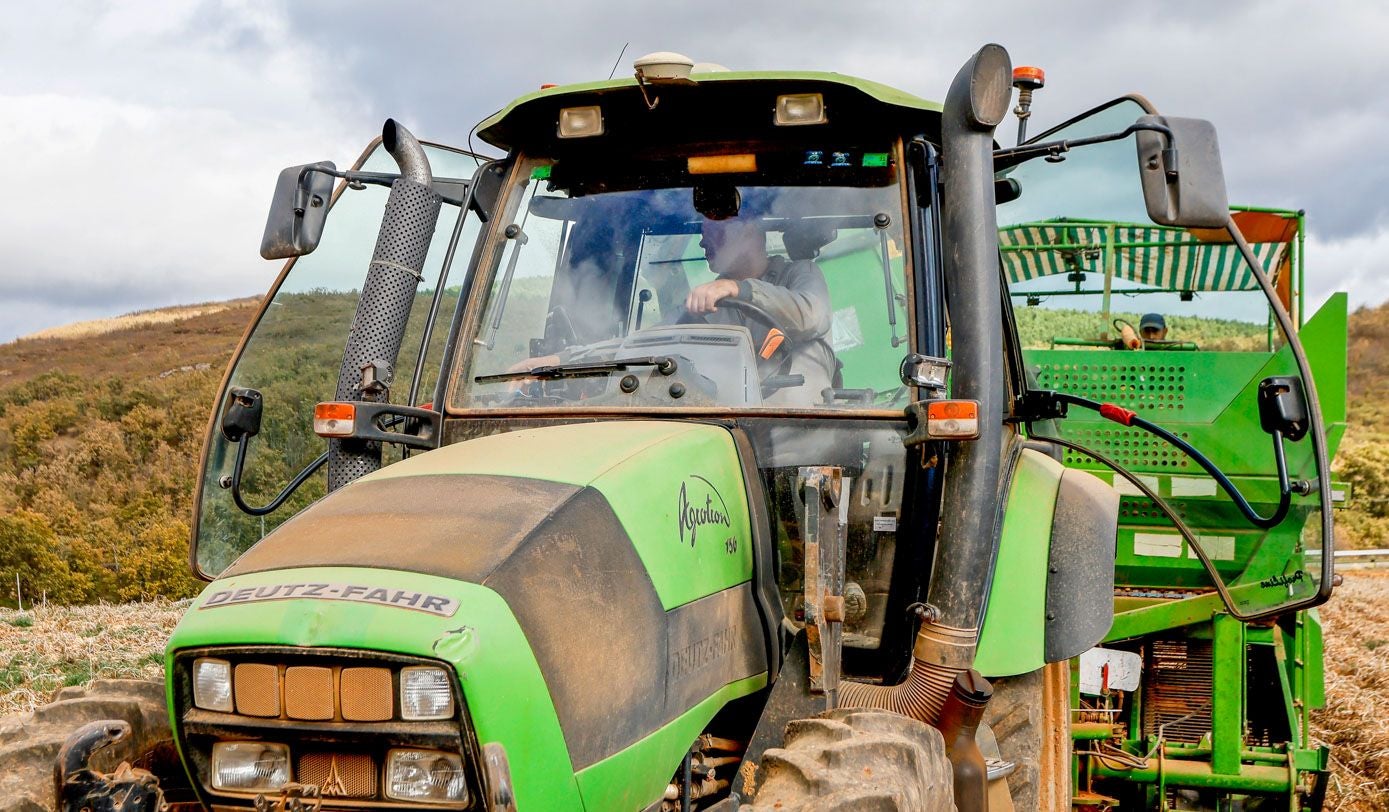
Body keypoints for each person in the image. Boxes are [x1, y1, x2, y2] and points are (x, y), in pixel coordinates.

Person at [684, 215, 837, 404]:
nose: (702, 243)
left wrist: (742, 290)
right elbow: (662, 339)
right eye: (703, 234)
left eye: (716, 232)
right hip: (729, 424)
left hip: (806, 424)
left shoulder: (800, 273)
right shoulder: (706, 301)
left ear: (748, 231)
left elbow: (813, 315)